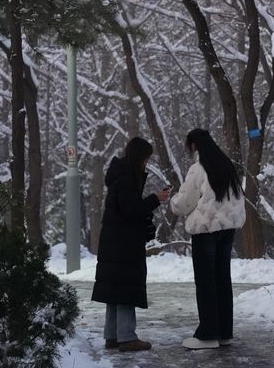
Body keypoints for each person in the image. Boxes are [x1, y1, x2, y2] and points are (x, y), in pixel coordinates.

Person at [91, 136, 170, 352]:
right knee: (124, 289)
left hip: (116, 242)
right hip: (123, 244)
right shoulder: (126, 179)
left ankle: (112, 336)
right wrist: (155, 198)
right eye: (145, 159)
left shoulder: (120, 176)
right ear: (139, 157)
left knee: (115, 290)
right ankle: (126, 337)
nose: (146, 163)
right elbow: (132, 210)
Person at [169, 128, 246, 349]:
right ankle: (224, 332)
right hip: (228, 230)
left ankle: (207, 334)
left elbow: (185, 202)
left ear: (193, 146)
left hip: (206, 231)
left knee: (206, 281)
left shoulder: (198, 168)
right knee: (222, 279)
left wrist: (173, 201)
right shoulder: (227, 165)